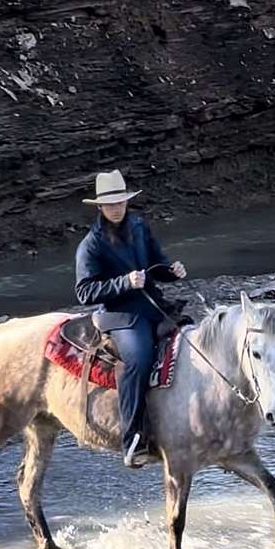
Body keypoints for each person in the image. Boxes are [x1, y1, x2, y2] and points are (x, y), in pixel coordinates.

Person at [75, 170, 186, 468]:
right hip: (118, 315)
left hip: (151, 305)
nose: (116, 208)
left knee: (187, 341)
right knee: (139, 358)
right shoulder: (91, 244)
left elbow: (155, 264)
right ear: (99, 207)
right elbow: (84, 292)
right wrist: (124, 283)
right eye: (110, 204)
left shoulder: (139, 225)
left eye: (120, 202)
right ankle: (133, 438)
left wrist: (171, 271)